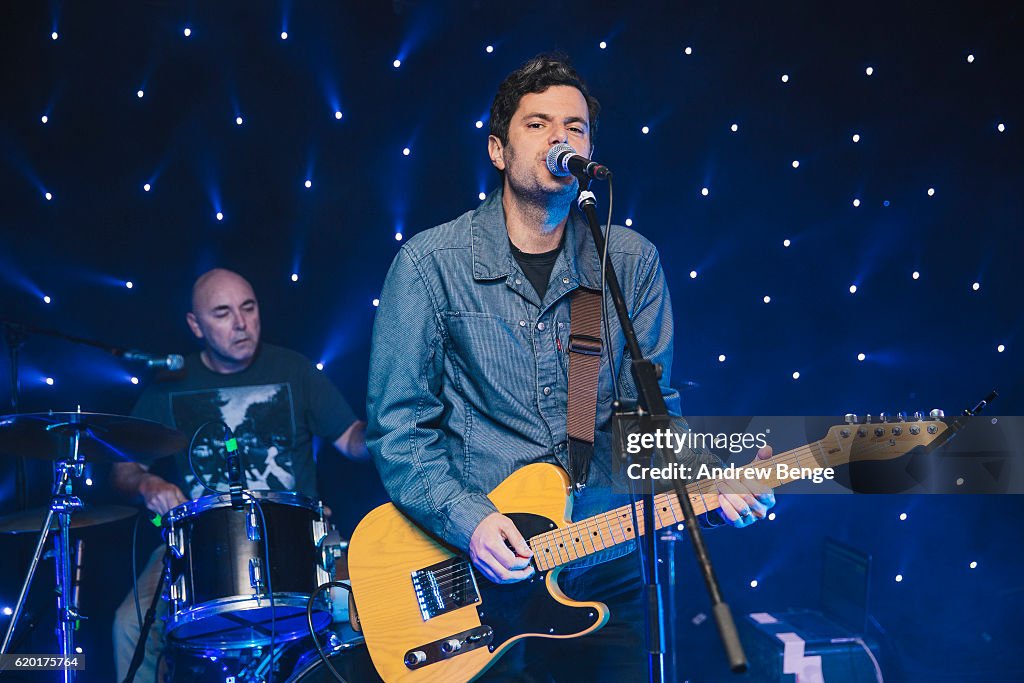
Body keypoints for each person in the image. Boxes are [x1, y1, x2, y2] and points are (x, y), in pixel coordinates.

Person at [366, 54, 775, 682]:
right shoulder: (429, 264)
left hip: (604, 565)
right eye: (538, 124)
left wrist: (715, 488)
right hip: (472, 569)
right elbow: (400, 429)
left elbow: (649, 415)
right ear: (498, 150)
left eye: (576, 128)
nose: (562, 138)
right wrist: (470, 521)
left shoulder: (630, 261)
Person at [111, 267, 367, 682]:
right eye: (222, 313)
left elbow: (352, 441)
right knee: (129, 624)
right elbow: (123, 469)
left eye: (248, 308)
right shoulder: (168, 385)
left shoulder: (294, 369)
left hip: (302, 541)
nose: (241, 323)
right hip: (196, 548)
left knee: (374, 601)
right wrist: (147, 483)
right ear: (196, 325)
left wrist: (387, 420)